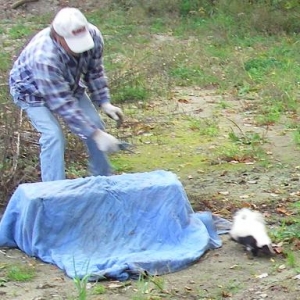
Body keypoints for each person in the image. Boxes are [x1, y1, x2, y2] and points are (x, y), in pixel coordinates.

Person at [9, 7, 124, 181]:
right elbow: (63, 104)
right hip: (31, 91)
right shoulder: (44, 57)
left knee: (94, 123)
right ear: (58, 37)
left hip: (67, 84)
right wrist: (96, 135)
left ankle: (103, 180)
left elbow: (95, 71)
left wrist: (104, 102)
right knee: (53, 136)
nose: (79, 48)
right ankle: (54, 190)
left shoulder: (93, 36)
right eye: (73, 43)